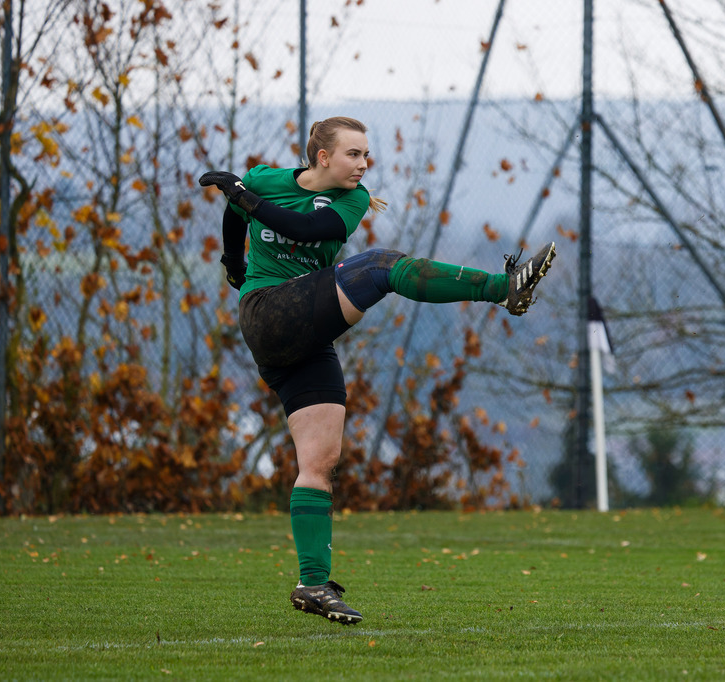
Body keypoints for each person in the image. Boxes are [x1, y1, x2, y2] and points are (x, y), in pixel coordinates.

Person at [199, 116, 555, 626]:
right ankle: (505, 288)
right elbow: (240, 207)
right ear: (323, 157)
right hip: (268, 312)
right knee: (381, 266)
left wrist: (242, 199)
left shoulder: (351, 201)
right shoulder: (264, 179)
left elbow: (303, 228)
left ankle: (312, 584)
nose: (364, 165)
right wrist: (234, 259)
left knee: (321, 459)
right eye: (354, 154)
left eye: (366, 155)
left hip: (303, 331)